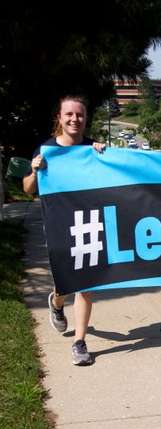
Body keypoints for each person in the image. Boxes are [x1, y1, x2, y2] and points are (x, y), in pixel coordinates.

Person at [23, 95, 106, 366]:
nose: (74, 119)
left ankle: (79, 342)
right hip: (59, 226)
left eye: (79, 115)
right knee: (65, 284)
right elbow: (27, 189)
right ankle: (56, 303)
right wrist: (35, 171)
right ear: (59, 118)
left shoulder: (93, 149)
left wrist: (103, 157)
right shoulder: (46, 150)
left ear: (86, 118)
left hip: (88, 223)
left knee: (85, 284)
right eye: (69, 114)